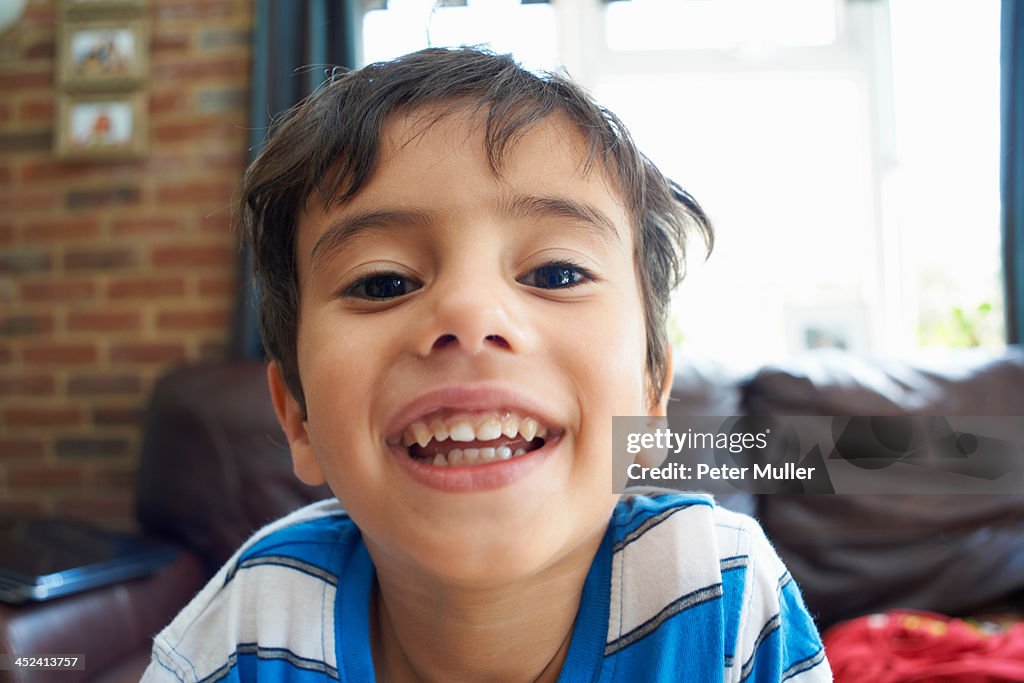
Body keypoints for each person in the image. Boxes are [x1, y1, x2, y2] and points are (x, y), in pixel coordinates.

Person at [141, 47, 830, 682]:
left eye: (557, 271)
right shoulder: (246, 633)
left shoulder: (721, 594)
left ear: (652, 398)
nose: (469, 314)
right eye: (383, 281)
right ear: (297, 415)